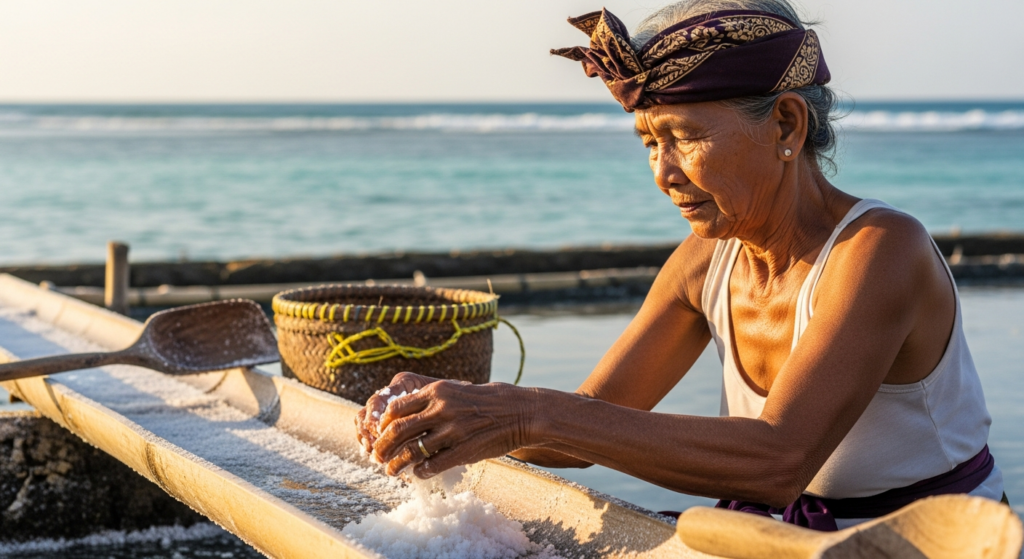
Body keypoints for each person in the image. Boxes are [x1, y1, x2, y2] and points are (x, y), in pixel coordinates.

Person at [355, 0, 1007, 531]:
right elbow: (580, 426)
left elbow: (778, 461)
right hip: (774, 540)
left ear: (785, 125)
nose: (663, 173)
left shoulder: (880, 249)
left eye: (685, 137)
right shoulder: (706, 261)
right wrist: (447, 413)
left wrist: (523, 412)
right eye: (648, 141)